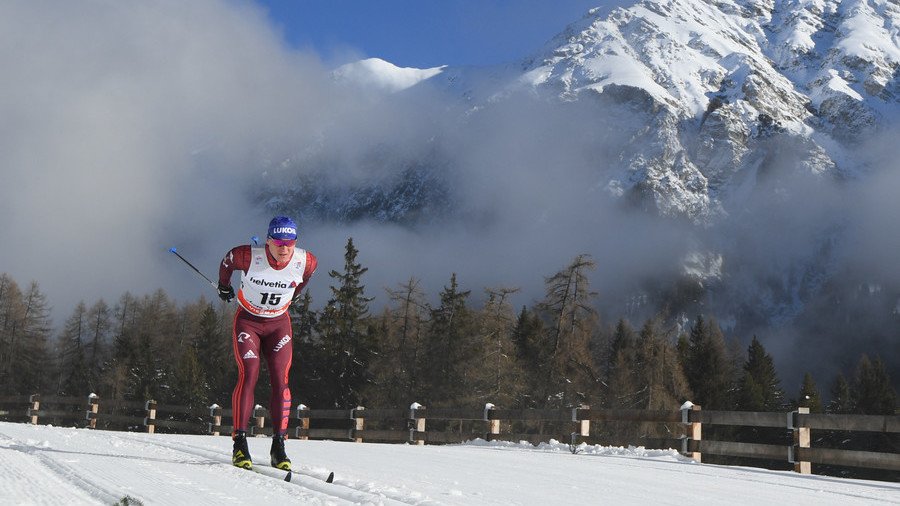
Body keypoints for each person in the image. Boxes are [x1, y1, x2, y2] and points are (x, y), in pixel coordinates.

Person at [217, 216, 317, 470]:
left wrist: (288, 298)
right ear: (269, 240)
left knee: (281, 381)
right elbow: (226, 263)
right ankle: (239, 443)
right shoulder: (247, 256)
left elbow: (301, 284)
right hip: (248, 322)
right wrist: (223, 286)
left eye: (290, 241)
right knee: (249, 373)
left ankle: (279, 446)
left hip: (278, 325)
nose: (284, 248)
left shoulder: (306, 261)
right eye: (279, 241)